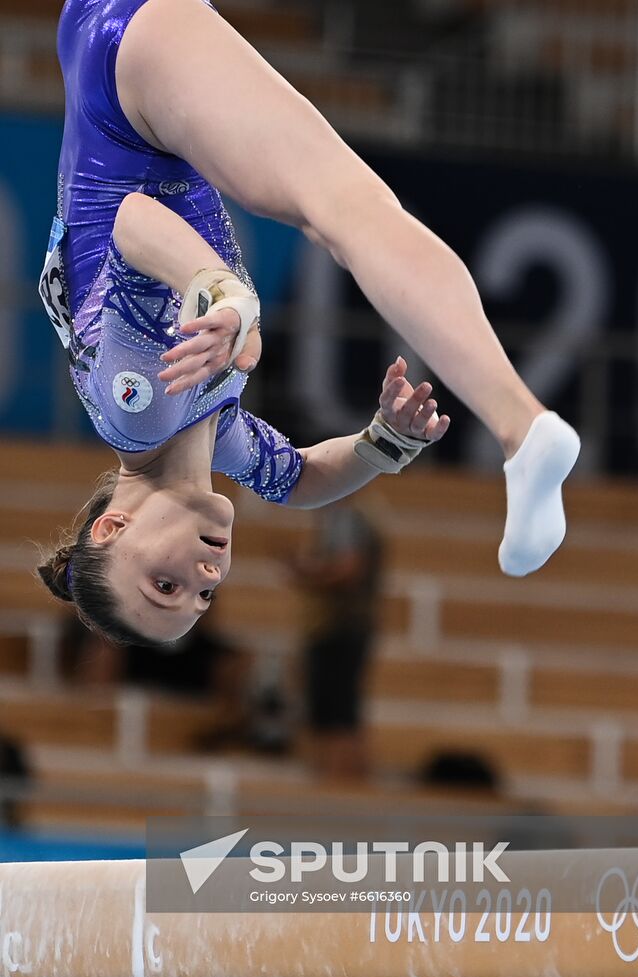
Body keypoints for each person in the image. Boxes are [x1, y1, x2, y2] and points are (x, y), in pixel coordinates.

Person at [38, 0, 579, 644]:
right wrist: (385, 445)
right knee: (343, 210)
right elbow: (300, 481)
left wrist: (222, 292)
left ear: (112, 528)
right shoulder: (205, 434)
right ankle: (521, 428)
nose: (207, 574)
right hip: (131, 87)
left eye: (165, 584)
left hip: (124, 82)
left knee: (340, 211)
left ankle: (521, 427)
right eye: (203, 595)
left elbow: (131, 221)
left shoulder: (137, 408)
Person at [290, 499, 383, 780]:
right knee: (338, 712)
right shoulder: (363, 517)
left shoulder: (344, 519)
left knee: (336, 714)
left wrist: (308, 573)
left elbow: (349, 570)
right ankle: (338, 779)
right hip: (345, 624)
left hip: (338, 624)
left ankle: (338, 780)